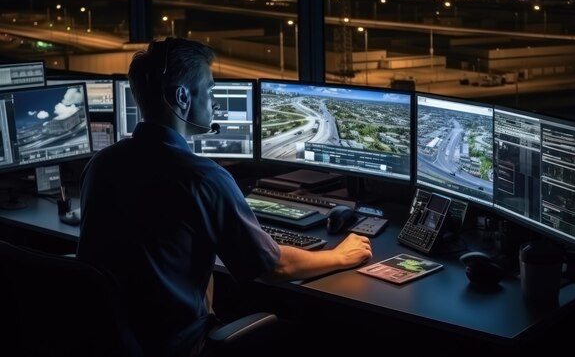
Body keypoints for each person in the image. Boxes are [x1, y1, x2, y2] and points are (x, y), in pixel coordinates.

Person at [76, 37, 373, 357]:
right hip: (180, 345)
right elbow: (273, 267)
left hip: (113, 343)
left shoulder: (101, 165)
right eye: (211, 90)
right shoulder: (202, 178)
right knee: (318, 335)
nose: (215, 102)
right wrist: (341, 256)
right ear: (182, 97)